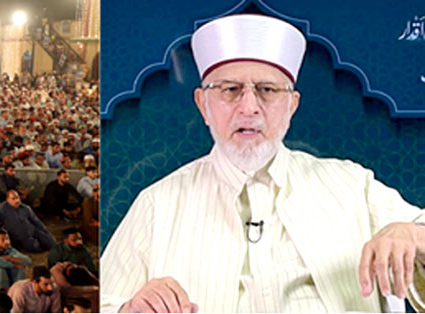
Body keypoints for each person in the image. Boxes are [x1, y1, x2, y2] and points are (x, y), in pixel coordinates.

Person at [101, 14, 425, 313]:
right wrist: (131, 309)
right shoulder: (157, 203)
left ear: (292, 105)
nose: (249, 107)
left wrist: (411, 234)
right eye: (230, 90)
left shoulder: (353, 185)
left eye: (267, 90)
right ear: (202, 103)